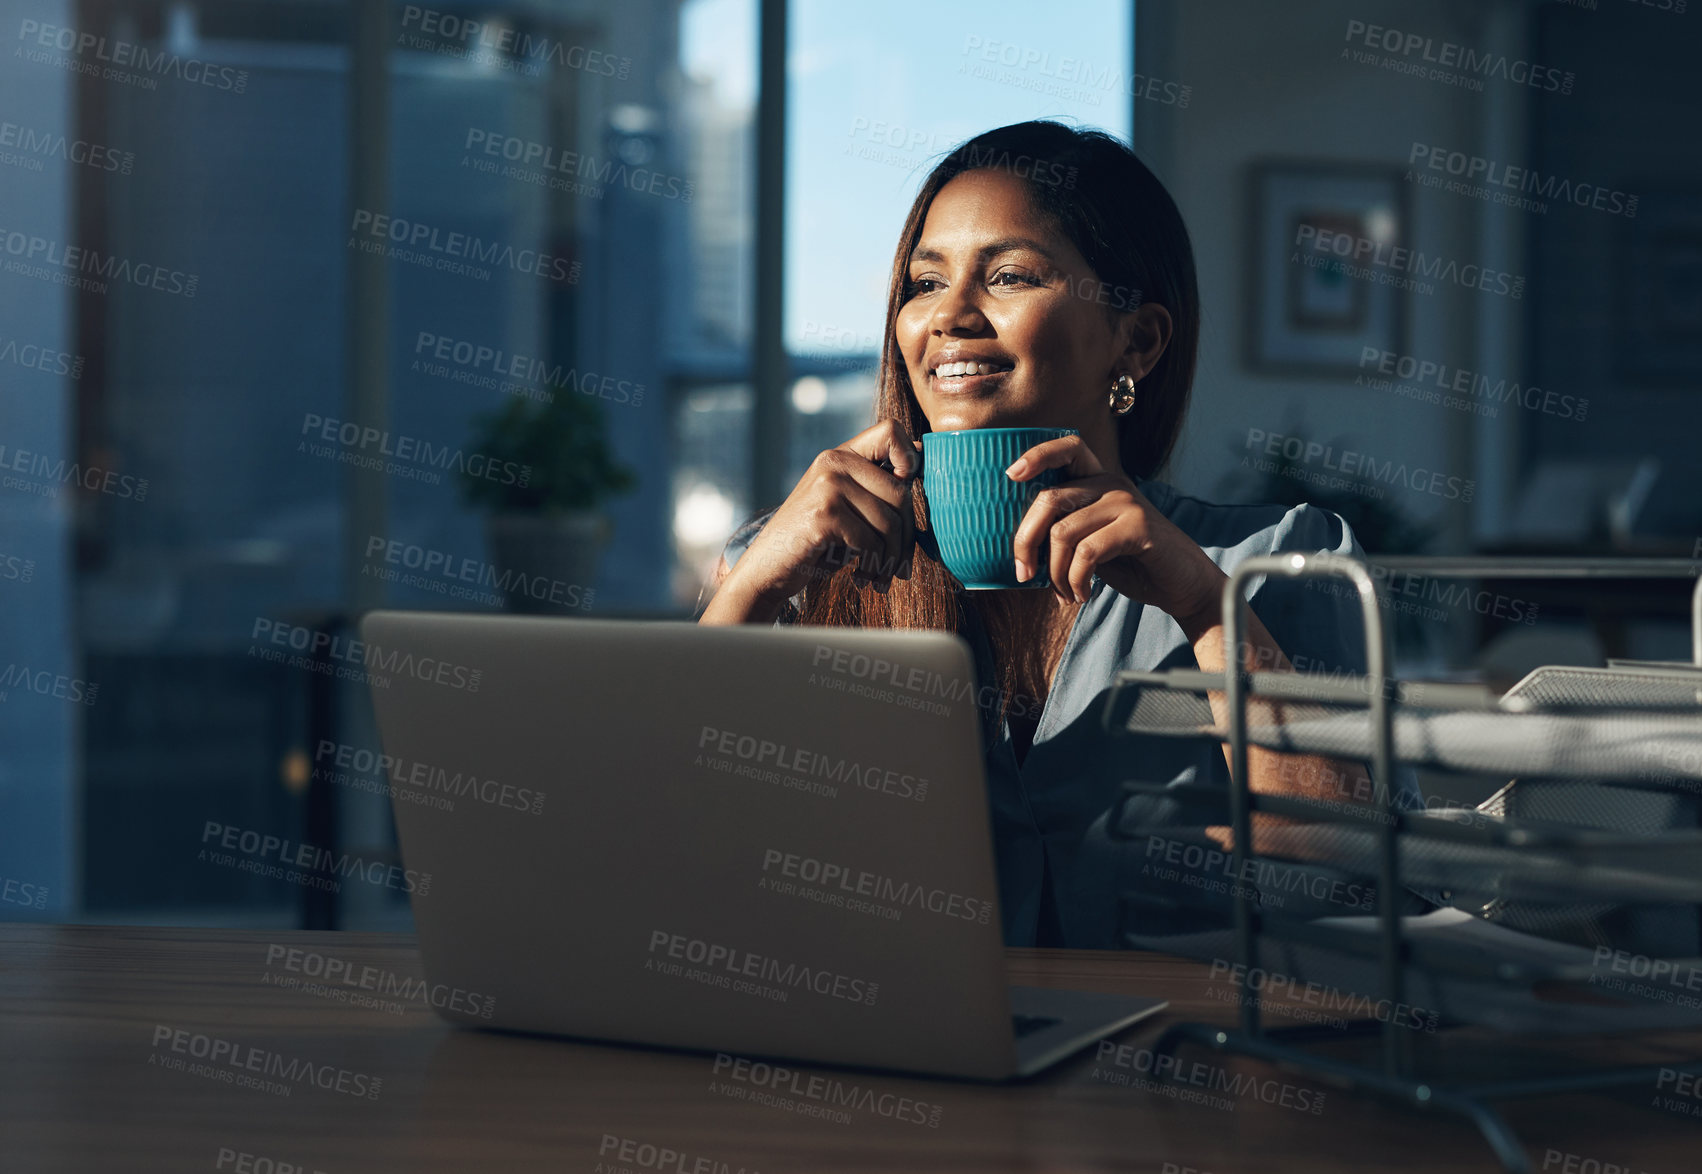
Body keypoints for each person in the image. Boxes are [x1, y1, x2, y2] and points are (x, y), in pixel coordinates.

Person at [698, 120, 1403, 949]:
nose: (949, 317)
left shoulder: (1278, 563)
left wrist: (1207, 611)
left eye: (1008, 276)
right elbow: (671, 863)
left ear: (1136, 341)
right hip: (893, 1062)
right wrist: (748, 594)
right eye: (923, 284)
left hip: (1187, 1066)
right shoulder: (802, 572)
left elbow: (1349, 896)